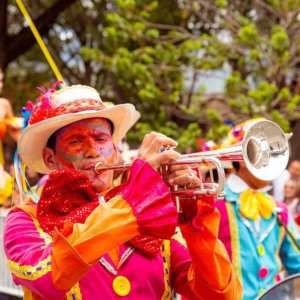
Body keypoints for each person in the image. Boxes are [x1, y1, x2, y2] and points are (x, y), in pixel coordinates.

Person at [3, 84, 241, 300]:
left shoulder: (153, 217)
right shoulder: (25, 219)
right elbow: (50, 279)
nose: (93, 151)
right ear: (50, 159)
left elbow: (219, 295)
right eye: (76, 141)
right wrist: (135, 196)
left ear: (115, 150)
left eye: (100, 138)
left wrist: (194, 223)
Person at [216, 119, 300, 300]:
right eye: (263, 152)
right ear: (243, 159)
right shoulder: (213, 207)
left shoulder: (279, 209)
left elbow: (297, 262)